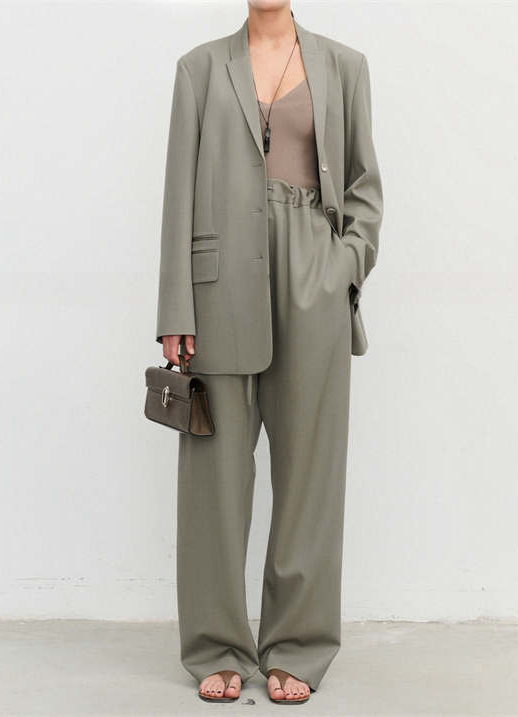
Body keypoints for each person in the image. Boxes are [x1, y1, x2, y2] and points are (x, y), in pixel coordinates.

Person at [155, 0, 382, 704]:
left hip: (312, 282)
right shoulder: (198, 69)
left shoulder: (345, 67)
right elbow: (178, 192)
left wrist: (342, 266)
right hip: (219, 286)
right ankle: (215, 645)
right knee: (214, 477)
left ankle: (298, 646)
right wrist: (175, 308)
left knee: (311, 475)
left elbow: (364, 190)